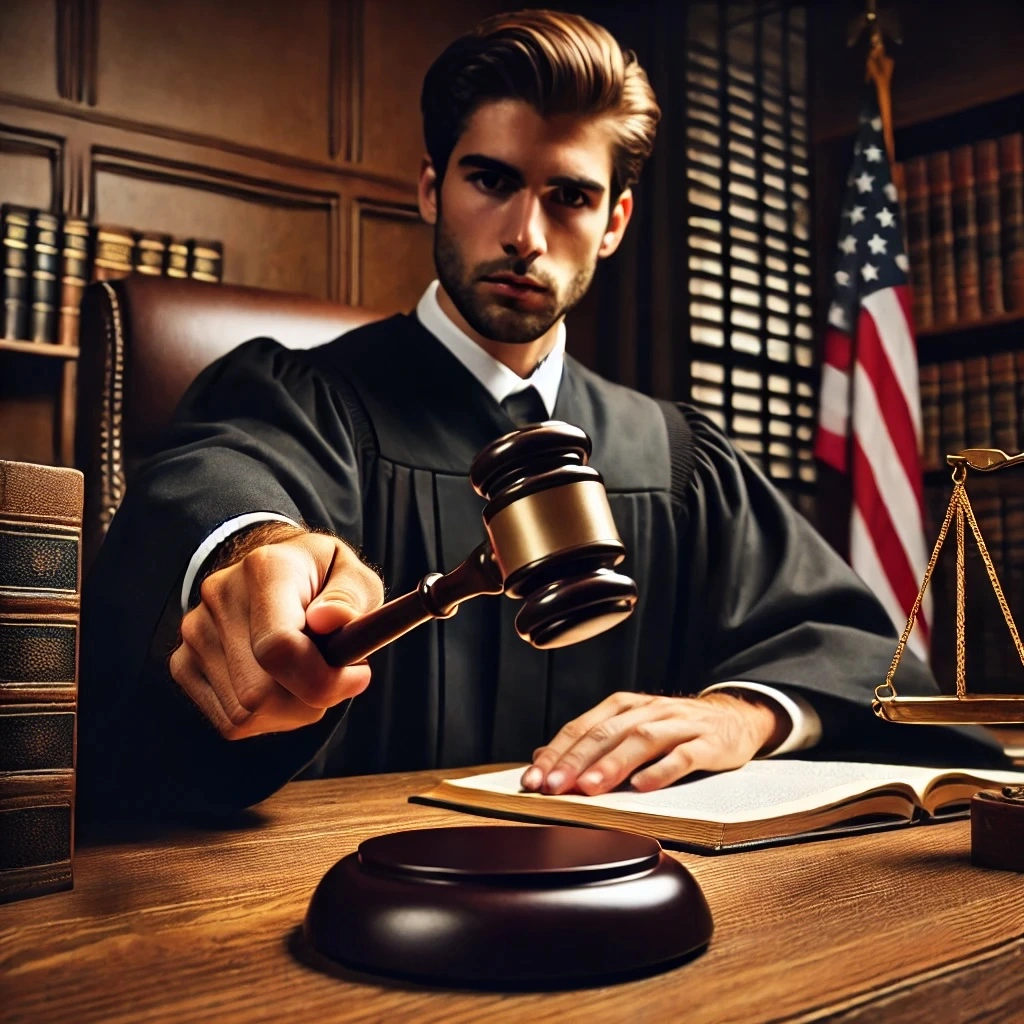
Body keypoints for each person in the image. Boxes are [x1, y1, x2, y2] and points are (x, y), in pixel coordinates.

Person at [77, 9, 998, 822]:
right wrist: (254, 558)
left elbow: (867, 658)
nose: (525, 232)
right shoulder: (298, 397)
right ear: (431, 189)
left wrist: (741, 713)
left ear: (616, 222)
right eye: (491, 182)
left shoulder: (676, 458)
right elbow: (219, 484)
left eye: (570, 196)